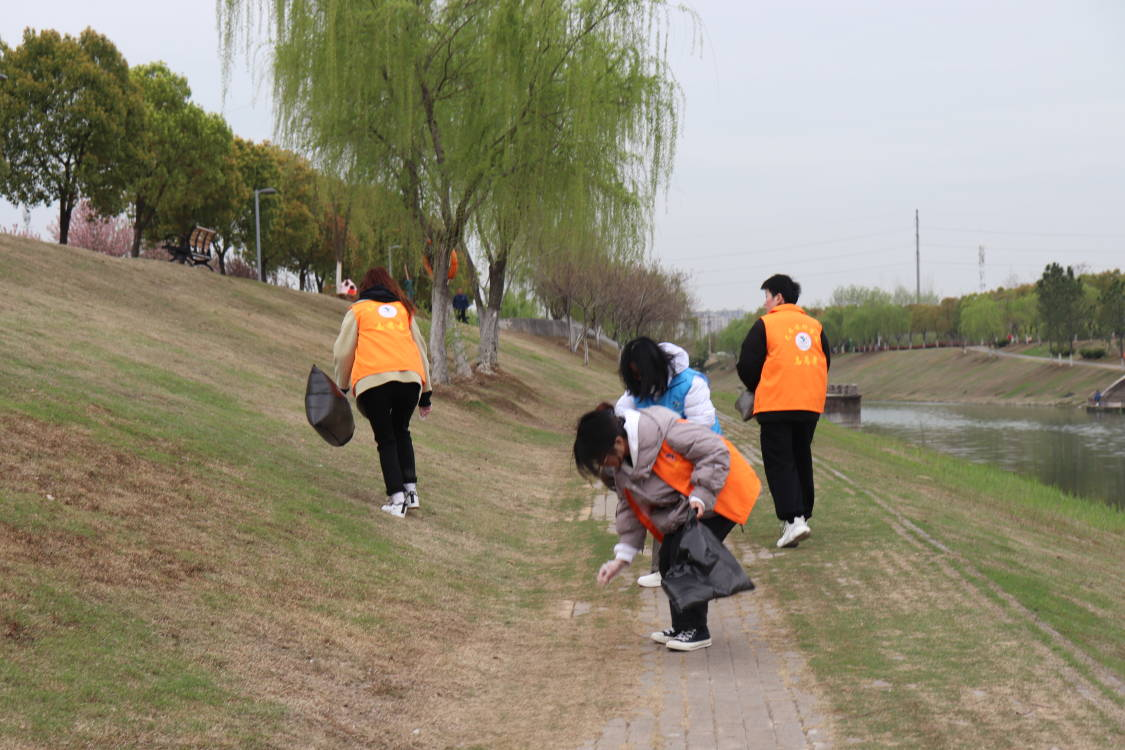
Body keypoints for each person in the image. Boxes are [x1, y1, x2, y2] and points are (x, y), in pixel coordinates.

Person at [574, 403, 758, 652]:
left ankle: (697, 630)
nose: (602, 467)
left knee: (686, 556)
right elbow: (631, 508)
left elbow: (716, 451)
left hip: (721, 493)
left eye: (600, 459)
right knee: (667, 560)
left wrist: (701, 493)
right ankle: (682, 627)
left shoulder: (667, 432)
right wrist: (622, 557)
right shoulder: (621, 470)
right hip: (691, 505)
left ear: (618, 442)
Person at [614, 338, 721, 588]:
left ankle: (681, 570)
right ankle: (663, 569)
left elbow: (702, 432)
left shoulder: (691, 384)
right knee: (659, 506)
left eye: (640, 374)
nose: (637, 380)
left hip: (699, 456)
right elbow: (622, 414)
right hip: (665, 460)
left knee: (684, 515)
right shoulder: (637, 388)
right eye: (633, 376)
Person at [736, 274, 830, 549]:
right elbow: (826, 360)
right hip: (809, 405)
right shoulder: (815, 326)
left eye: (766, 296)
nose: (765, 303)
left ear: (778, 297)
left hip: (776, 404)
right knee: (801, 456)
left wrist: (759, 386)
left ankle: (794, 520)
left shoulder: (766, 324)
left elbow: (747, 365)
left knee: (780, 462)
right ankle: (799, 515)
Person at [334, 267, 433, 518]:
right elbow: (420, 350)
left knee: (386, 438)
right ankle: (411, 493)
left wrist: (342, 386)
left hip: (373, 379)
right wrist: (426, 393)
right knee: (401, 430)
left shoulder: (358, 310)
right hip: (410, 379)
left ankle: (396, 499)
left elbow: (343, 352)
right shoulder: (403, 310)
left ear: (365, 286)